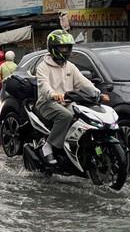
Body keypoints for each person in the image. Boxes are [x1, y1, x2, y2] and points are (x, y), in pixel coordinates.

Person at [35, 30, 109, 165]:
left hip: (67, 101)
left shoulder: (70, 66)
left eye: (67, 47)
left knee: (84, 114)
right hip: (47, 103)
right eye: (62, 47)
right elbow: (44, 85)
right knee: (66, 116)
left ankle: (77, 144)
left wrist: (98, 93)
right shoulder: (43, 67)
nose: (65, 50)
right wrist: (53, 94)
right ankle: (49, 145)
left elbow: (83, 82)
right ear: (53, 48)